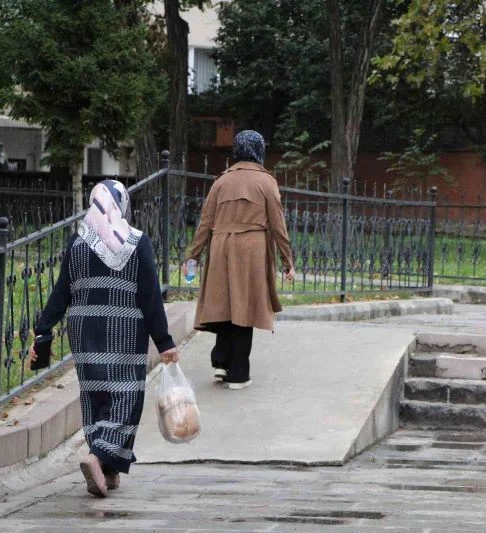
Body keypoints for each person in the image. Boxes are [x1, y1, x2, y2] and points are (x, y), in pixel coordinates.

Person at [31, 180, 179, 497]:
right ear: (122, 205)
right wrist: (164, 342)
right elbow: (150, 296)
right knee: (125, 397)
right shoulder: (137, 242)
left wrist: (43, 330)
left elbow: (61, 292)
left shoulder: (77, 243)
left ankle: (107, 470)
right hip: (125, 332)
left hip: (85, 332)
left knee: (95, 396)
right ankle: (98, 457)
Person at [185, 130, 295, 390]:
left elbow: (205, 222)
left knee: (224, 303)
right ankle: (238, 374)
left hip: (220, 247)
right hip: (251, 250)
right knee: (245, 307)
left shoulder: (221, 181)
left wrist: (192, 256)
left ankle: (221, 362)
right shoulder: (266, 182)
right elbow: (278, 225)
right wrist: (287, 260)